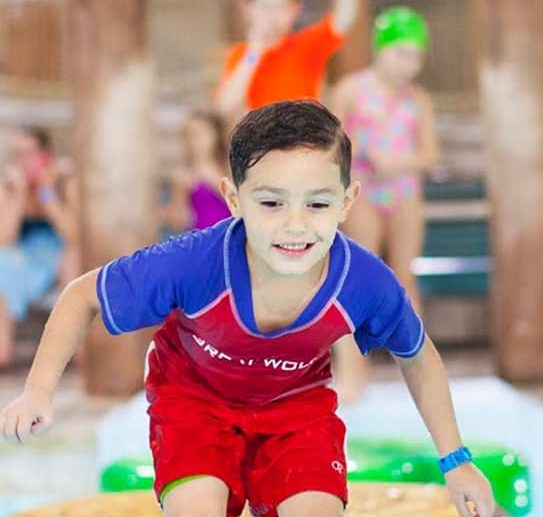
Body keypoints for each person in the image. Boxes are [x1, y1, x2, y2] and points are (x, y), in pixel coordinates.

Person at [0, 100, 494, 517]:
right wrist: (38, 388)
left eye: (317, 205)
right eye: (271, 204)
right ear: (233, 198)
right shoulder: (196, 262)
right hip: (194, 400)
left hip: (296, 406)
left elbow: (418, 356)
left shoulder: (363, 281)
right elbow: (83, 293)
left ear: (348, 200)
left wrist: (454, 458)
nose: (295, 226)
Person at [329, 5, 439, 401]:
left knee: (405, 279)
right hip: (362, 190)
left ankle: (420, 373)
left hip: (404, 191)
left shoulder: (418, 100)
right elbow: (331, 143)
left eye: (416, 56)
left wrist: (397, 162)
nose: (409, 65)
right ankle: (352, 375)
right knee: (356, 279)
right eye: (401, 53)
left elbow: (429, 154)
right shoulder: (352, 90)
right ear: (381, 49)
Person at [0, 127, 79, 377]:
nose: (22, 161)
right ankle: (2, 354)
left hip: (58, 263)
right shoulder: (1, 188)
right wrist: (19, 195)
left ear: (45, 155)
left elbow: (74, 235)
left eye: (28, 153)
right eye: (16, 154)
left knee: (74, 255)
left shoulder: (65, 184)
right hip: (21, 265)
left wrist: (47, 193)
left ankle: (81, 353)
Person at [214, 0, 360, 122]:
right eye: (264, 7)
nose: (272, 15)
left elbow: (345, 18)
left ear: (294, 11)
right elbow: (224, 107)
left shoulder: (306, 45)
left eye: (280, 7)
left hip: (302, 139)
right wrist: (254, 51)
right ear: (249, 10)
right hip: (261, 145)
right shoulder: (241, 55)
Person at [162, 110, 232, 233]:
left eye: (199, 134)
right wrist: (180, 197)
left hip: (226, 238)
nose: (194, 141)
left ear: (215, 136)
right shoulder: (183, 176)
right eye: (188, 135)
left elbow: (240, 203)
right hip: (200, 241)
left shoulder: (227, 167)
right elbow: (179, 222)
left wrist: (211, 177)